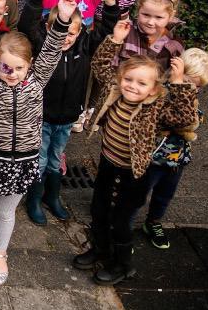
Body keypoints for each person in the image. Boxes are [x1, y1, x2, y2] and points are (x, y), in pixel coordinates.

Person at [72, 20, 198, 285]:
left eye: (141, 84)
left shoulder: (157, 108)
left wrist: (178, 83)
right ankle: (100, 249)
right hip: (108, 162)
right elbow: (99, 66)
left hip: (136, 171)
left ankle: (122, 265)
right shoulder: (114, 90)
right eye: (128, 79)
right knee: (99, 209)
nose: (132, 86)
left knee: (121, 219)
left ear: (153, 89)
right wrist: (115, 40)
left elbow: (185, 117)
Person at [0, 0, 76, 286]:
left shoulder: (37, 81)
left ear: (30, 66)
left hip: (25, 159)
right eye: (6, 67)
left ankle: (0, 253)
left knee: (7, 212)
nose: (12, 73)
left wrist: (64, 19)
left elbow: (52, 49)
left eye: (19, 68)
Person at [19, 0, 120, 225]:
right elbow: (26, 26)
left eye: (72, 34)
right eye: (60, 31)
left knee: (56, 159)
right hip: (42, 117)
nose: (66, 38)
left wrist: (110, 5)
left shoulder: (84, 46)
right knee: (40, 160)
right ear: (49, 28)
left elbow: (107, 29)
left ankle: (53, 197)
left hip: (67, 117)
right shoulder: (44, 44)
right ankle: (34, 198)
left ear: (80, 32)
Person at [134, 48, 208, 249]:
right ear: (175, 73)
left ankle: (153, 221)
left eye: (196, 88)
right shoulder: (162, 93)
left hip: (176, 159)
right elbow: (185, 121)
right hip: (153, 158)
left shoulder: (189, 95)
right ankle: (122, 228)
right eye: (187, 83)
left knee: (165, 194)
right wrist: (179, 88)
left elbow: (196, 119)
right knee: (137, 194)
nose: (192, 90)